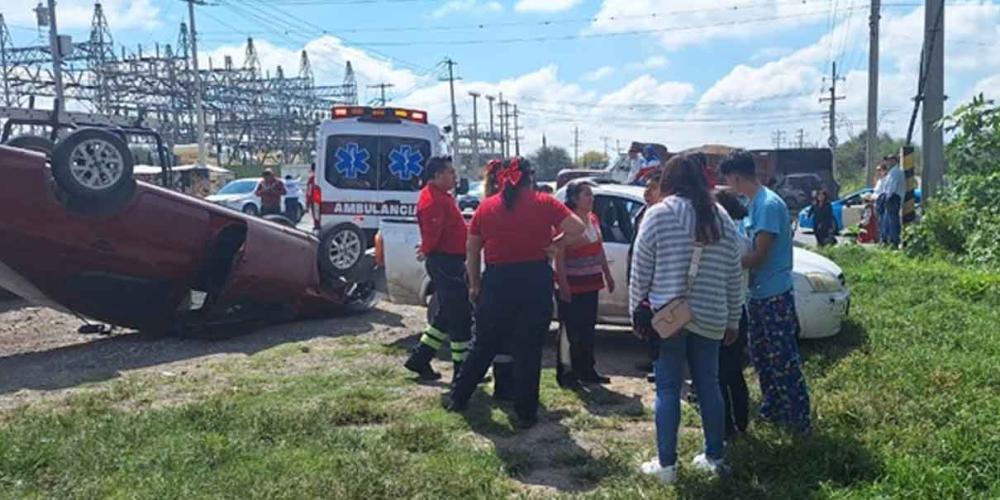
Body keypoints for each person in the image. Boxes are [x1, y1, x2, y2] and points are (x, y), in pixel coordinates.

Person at [447, 157, 586, 429]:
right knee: (528, 348)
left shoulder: (486, 207)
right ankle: (526, 412)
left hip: (498, 280)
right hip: (535, 279)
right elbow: (579, 229)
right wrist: (555, 244)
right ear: (530, 179)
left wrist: (474, 284)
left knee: (484, 344)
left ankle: (459, 397)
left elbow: (473, 249)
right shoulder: (544, 203)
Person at [631, 153, 743, 483]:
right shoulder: (722, 217)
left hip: (668, 317)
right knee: (709, 386)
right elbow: (733, 275)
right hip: (711, 315)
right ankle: (714, 458)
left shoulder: (658, 214)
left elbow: (641, 269)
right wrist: (733, 319)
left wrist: (637, 312)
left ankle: (667, 467)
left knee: (667, 389)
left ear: (669, 181)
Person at [720, 149, 812, 436]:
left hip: (773, 294)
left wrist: (724, 265)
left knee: (782, 359)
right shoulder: (754, 203)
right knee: (762, 358)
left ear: (735, 177)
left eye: (728, 181)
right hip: (757, 295)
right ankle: (774, 409)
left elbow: (759, 254)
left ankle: (798, 419)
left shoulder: (769, 205)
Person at [403, 156, 472, 382]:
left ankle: (420, 359)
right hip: (446, 263)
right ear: (437, 175)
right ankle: (462, 370)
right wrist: (426, 248)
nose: (454, 176)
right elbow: (433, 231)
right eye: (450, 172)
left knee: (445, 315)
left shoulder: (441, 197)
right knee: (460, 315)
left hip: (449, 262)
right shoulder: (434, 199)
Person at [555, 180, 615, 388]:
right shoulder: (567, 222)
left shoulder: (593, 219)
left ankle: (587, 369)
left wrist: (607, 274)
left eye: (591, 194)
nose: (591, 198)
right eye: (587, 194)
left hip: (591, 283)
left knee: (588, 329)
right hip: (571, 283)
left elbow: (599, 249)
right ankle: (567, 373)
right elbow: (558, 255)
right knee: (570, 330)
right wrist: (563, 285)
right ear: (574, 199)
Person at [714, 190, 752, 440]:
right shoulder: (743, 241)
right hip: (740, 311)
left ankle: (726, 428)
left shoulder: (721, 243)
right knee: (735, 373)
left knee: (718, 376)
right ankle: (741, 423)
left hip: (722, 314)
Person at [628, 171, 665, 381]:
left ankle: (658, 364)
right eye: (646, 187)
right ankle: (652, 359)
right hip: (638, 270)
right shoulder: (642, 212)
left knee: (659, 322)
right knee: (646, 322)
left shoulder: (662, 215)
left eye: (652, 187)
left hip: (655, 279)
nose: (647, 192)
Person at [881, 155, 906, 247]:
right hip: (891, 198)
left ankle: (894, 241)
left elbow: (892, 187)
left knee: (892, 221)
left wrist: (887, 197)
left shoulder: (895, 172)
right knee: (887, 220)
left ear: (894, 161)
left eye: (888, 161)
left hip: (893, 198)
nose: (887, 163)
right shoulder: (892, 172)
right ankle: (887, 240)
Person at [306, 162, 323, 231]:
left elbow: (309, 192)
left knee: (317, 219)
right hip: (322, 200)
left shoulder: (312, 179)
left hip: (315, 201)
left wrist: (307, 203)